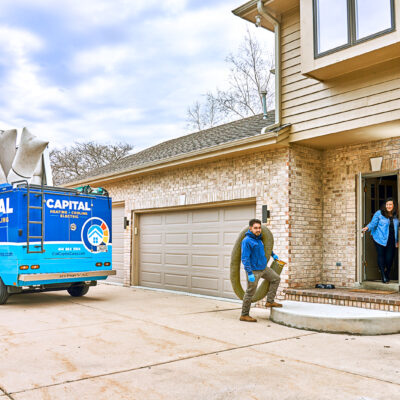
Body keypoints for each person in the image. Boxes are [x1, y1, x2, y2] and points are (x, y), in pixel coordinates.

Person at [240, 218, 281, 322]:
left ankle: (270, 301)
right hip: (253, 271)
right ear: (250, 228)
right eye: (255, 228)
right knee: (250, 292)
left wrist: (273, 255)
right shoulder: (247, 241)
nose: (258, 230)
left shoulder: (259, 239)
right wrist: (249, 273)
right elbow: (245, 258)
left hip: (263, 268)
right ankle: (244, 315)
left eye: (259, 228)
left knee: (276, 279)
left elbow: (266, 248)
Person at [362, 197, 399, 283]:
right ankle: (383, 275)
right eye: (387, 204)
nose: (388, 206)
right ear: (385, 205)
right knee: (381, 256)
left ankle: (387, 272)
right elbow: (373, 223)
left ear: (394, 206)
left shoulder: (396, 214)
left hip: (392, 239)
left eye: (390, 204)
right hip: (379, 238)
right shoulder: (379, 213)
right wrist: (367, 228)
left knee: (390, 258)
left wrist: (397, 241)